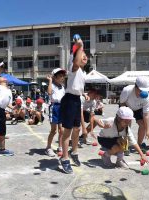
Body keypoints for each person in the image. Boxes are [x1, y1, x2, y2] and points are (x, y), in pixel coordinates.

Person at [59, 34, 88, 174]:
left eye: (85, 55)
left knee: (77, 129)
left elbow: (77, 86)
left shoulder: (82, 72)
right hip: (70, 100)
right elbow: (76, 62)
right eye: (82, 55)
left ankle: (74, 152)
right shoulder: (72, 64)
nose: (85, 56)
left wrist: (83, 94)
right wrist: (79, 46)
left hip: (77, 100)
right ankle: (64, 158)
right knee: (68, 131)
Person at [120, 76, 149, 149]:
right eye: (141, 90)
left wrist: (148, 130)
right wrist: (127, 116)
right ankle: (125, 145)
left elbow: (146, 115)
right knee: (126, 125)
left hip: (138, 109)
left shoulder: (146, 97)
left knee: (143, 125)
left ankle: (139, 145)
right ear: (135, 87)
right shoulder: (127, 90)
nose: (143, 92)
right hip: (126, 106)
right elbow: (122, 103)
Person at [45, 68, 66, 157]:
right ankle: (48, 148)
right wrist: (50, 81)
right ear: (54, 77)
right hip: (54, 107)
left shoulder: (62, 87)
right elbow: (49, 92)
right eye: (60, 76)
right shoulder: (52, 85)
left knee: (62, 130)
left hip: (61, 107)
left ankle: (60, 146)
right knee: (54, 130)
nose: (62, 78)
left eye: (62, 76)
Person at [0, 74, 14, 162]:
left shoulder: (9, 91)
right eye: (1, 76)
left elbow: (9, 103)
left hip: (2, 111)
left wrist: (14, 108)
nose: (4, 77)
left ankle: (2, 149)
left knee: (2, 131)